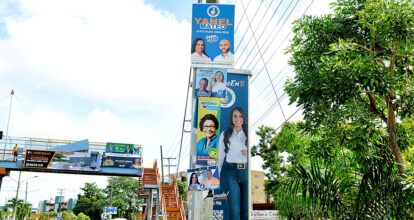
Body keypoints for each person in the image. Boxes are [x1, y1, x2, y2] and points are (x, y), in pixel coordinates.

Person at [218, 107, 248, 220]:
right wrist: (218, 176)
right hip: (230, 172)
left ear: (243, 118)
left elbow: (258, 153)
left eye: (240, 116)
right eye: (235, 116)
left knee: (245, 211)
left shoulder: (249, 134)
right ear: (231, 118)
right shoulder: (225, 134)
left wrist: (249, 154)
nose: (238, 119)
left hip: (245, 172)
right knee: (234, 209)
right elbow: (220, 157)